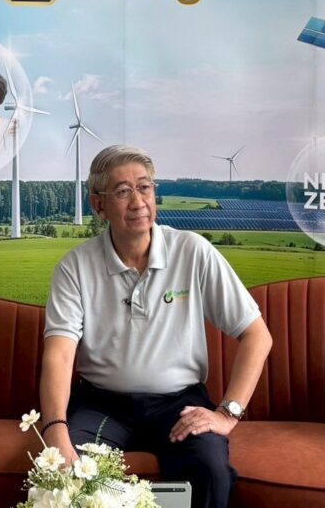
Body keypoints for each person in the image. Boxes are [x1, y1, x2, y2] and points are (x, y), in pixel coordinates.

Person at [40, 145, 272, 508]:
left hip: (179, 405)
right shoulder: (74, 268)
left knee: (211, 469)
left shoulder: (193, 251)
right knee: (66, 478)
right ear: (98, 205)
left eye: (144, 187)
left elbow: (257, 335)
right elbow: (59, 356)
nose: (138, 202)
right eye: (122, 191)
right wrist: (55, 430)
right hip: (102, 407)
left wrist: (227, 414)